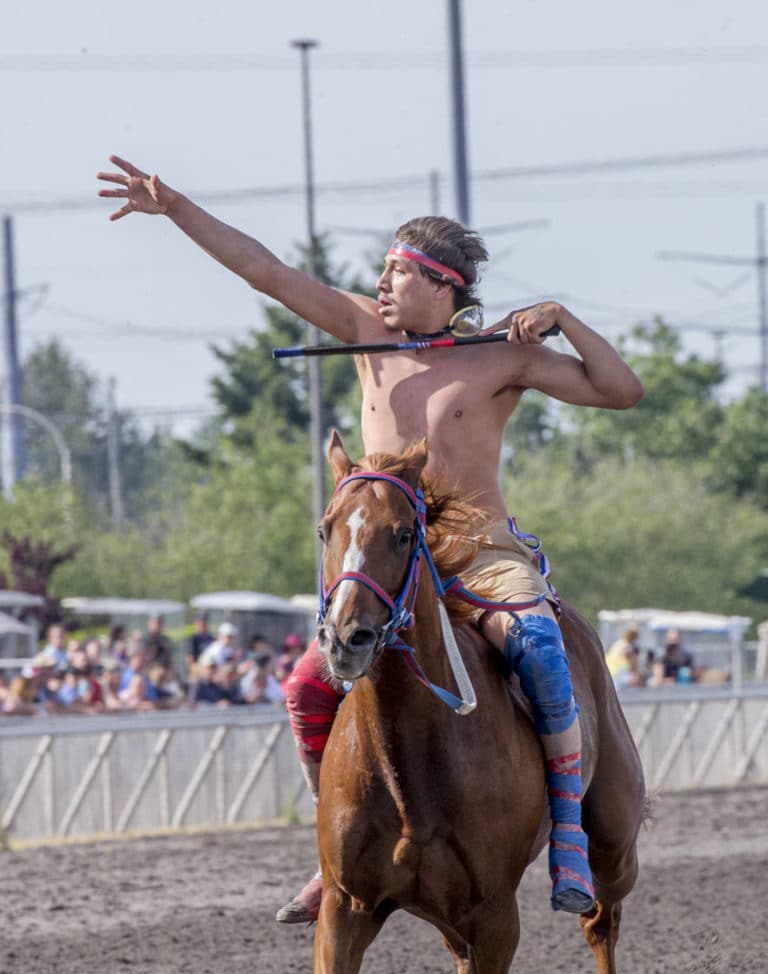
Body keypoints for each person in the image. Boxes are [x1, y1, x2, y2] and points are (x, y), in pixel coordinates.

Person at [98, 157, 643, 921]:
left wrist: (564, 317)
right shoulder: (360, 328)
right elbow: (265, 270)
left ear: (443, 287)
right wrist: (178, 207)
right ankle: (337, 850)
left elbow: (623, 390)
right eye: (383, 269)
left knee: (547, 660)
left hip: (482, 554)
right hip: (387, 559)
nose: (382, 283)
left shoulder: (506, 354)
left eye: (397, 271)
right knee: (304, 688)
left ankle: (569, 843)